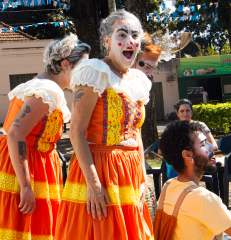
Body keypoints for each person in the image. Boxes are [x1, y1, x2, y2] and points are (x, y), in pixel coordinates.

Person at [0, 33, 90, 240]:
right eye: (83, 67)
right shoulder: (47, 91)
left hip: (20, 165)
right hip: (22, 170)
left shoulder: (41, 84)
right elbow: (15, 134)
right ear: (66, 65)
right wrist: (25, 186)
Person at [54, 10, 153, 240]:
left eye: (135, 35)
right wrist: (94, 183)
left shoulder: (138, 80)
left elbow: (136, 133)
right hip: (99, 169)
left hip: (129, 172)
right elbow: (76, 131)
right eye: (122, 34)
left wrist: (142, 177)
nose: (130, 41)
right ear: (107, 41)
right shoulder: (94, 71)